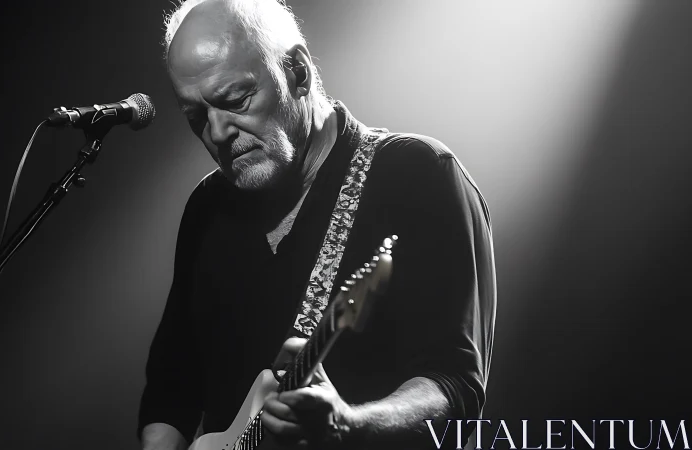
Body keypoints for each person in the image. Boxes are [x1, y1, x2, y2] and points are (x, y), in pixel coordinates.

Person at [138, 0, 496, 449]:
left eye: (235, 99)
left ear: (298, 72)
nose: (217, 132)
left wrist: (348, 423)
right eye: (196, 117)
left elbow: (454, 386)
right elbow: (173, 386)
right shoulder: (206, 208)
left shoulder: (418, 175)